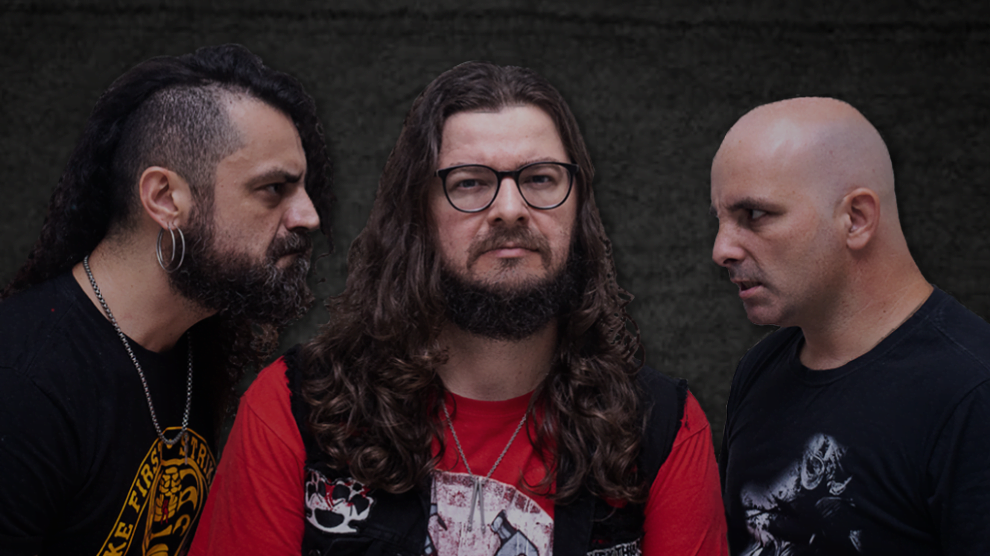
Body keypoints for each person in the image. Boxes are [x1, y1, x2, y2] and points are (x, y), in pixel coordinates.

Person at [190, 61, 727, 555]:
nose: (510, 209)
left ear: (579, 206)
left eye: (540, 179)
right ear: (417, 215)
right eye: (470, 183)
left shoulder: (661, 426)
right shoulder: (297, 406)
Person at [0, 44, 332, 555]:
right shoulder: (22, 385)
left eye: (303, 188)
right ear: (164, 198)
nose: (308, 216)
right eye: (273, 189)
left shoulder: (194, 343)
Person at [712, 97, 990, 555]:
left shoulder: (972, 395)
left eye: (755, 215)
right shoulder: (761, 369)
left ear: (856, 219)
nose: (721, 249)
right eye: (720, 220)